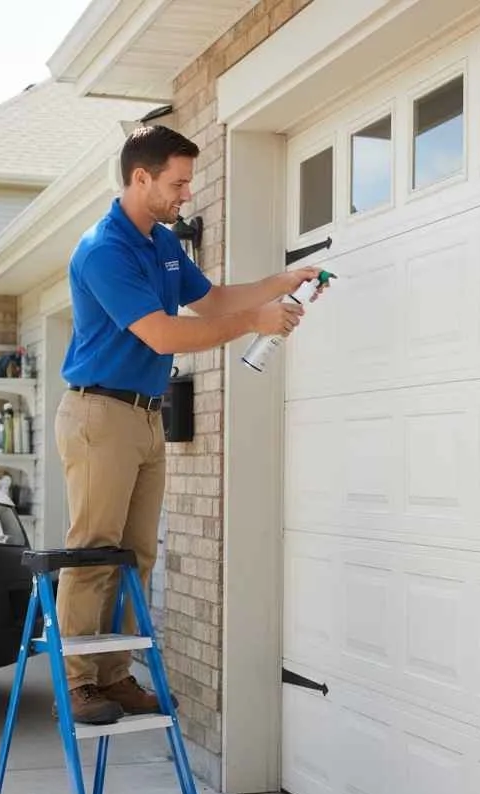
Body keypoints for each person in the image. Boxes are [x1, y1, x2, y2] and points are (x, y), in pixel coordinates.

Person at [55, 123, 326, 725]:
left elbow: (212, 300)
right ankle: (78, 685)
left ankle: (118, 676)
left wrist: (279, 285)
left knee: (138, 556)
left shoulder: (162, 242)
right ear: (140, 177)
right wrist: (256, 321)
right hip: (100, 413)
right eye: (177, 183)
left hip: (146, 416)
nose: (186, 194)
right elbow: (164, 332)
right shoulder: (105, 249)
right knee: (96, 552)